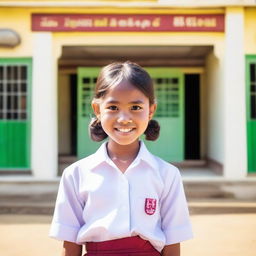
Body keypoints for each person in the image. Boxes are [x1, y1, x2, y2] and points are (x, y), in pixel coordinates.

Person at [49, 61, 193, 256]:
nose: (124, 118)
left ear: (151, 111)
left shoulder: (167, 174)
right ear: (97, 109)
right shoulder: (76, 174)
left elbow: (173, 239)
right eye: (113, 107)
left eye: (135, 107)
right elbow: (70, 241)